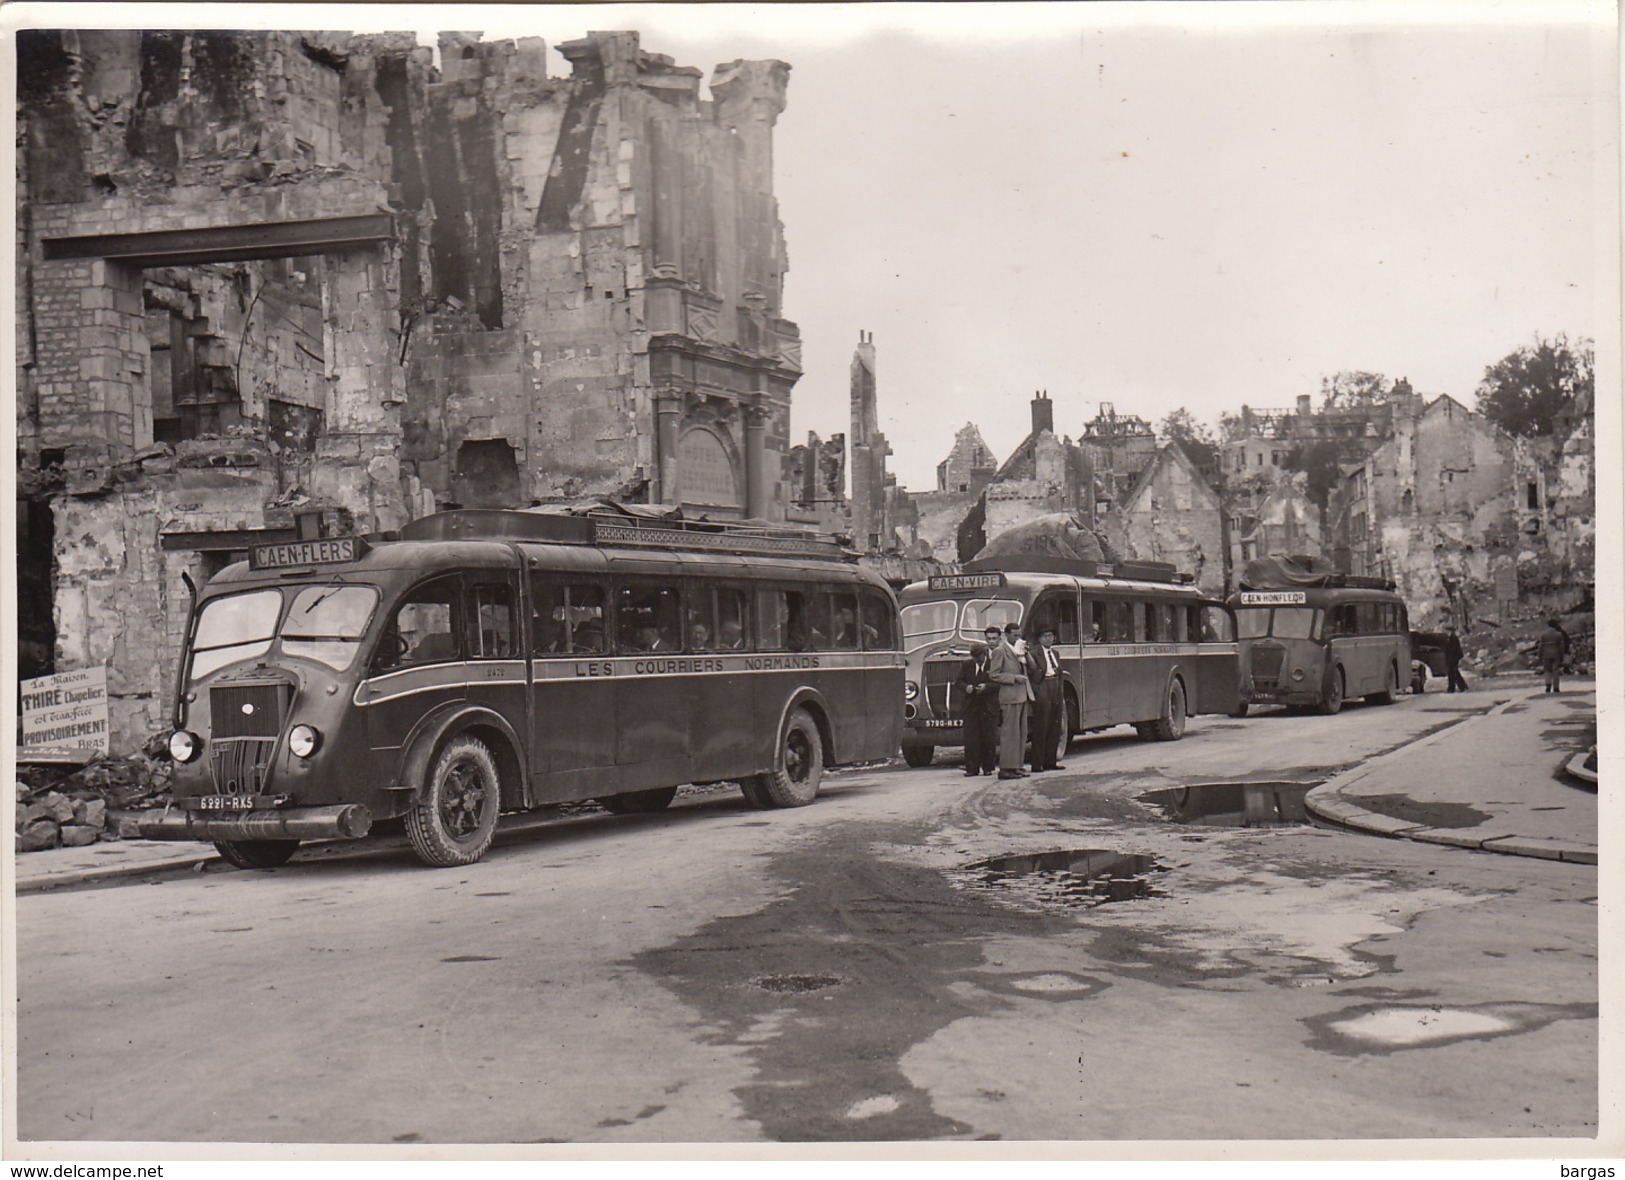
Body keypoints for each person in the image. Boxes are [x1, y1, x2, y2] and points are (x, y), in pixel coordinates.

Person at [987, 621, 1033, 780]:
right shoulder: (1000, 651)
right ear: (1006, 635)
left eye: (1019, 635)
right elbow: (994, 674)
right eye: (1015, 635)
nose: (1018, 638)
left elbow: (1030, 668)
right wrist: (1014, 678)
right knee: (1010, 734)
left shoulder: (1019, 650)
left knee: (1021, 733)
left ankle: (1017, 766)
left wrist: (1025, 655)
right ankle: (1006, 768)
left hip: (1022, 695)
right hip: (1010, 697)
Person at [958, 627, 1003, 776]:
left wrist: (986, 687)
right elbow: (958, 682)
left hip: (989, 706)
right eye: (974, 657)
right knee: (971, 738)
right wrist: (967, 688)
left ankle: (988, 768)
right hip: (971, 706)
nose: (977, 660)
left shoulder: (993, 664)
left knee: (988, 738)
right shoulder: (967, 665)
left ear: (985, 654)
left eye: (979, 657)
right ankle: (972, 768)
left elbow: (998, 682)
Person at [1028, 626, 1066, 772]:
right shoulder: (1034, 653)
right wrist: (1037, 690)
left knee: (1055, 725)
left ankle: (1051, 761)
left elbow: (1059, 672)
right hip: (1043, 686)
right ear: (1039, 639)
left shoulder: (1055, 654)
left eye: (1050, 636)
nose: (1048, 638)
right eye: (1045, 636)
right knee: (1041, 726)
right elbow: (1031, 674)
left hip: (1055, 686)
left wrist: (1060, 688)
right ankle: (1037, 764)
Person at [1538, 617, 1570, 693]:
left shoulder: (1543, 634)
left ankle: (1548, 685)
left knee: (1547, 670)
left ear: (1548, 625)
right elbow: (1561, 646)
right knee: (1555, 670)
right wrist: (1562, 655)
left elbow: (1541, 646)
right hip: (1556, 654)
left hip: (1546, 654)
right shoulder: (1558, 634)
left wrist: (1540, 655)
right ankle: (1556, 687)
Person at [1443, 623, 1468, 693]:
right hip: (1453, 657)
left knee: (1451, 673)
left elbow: (1453, 649)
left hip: (1453, 658)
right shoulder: (1451, 637)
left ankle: (1452, 688)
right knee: (1455, 672)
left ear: (1449, 631)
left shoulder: (1452, 638)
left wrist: (1450, 658)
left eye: (1446, 630)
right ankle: (1462, 686)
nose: (1445, 632)